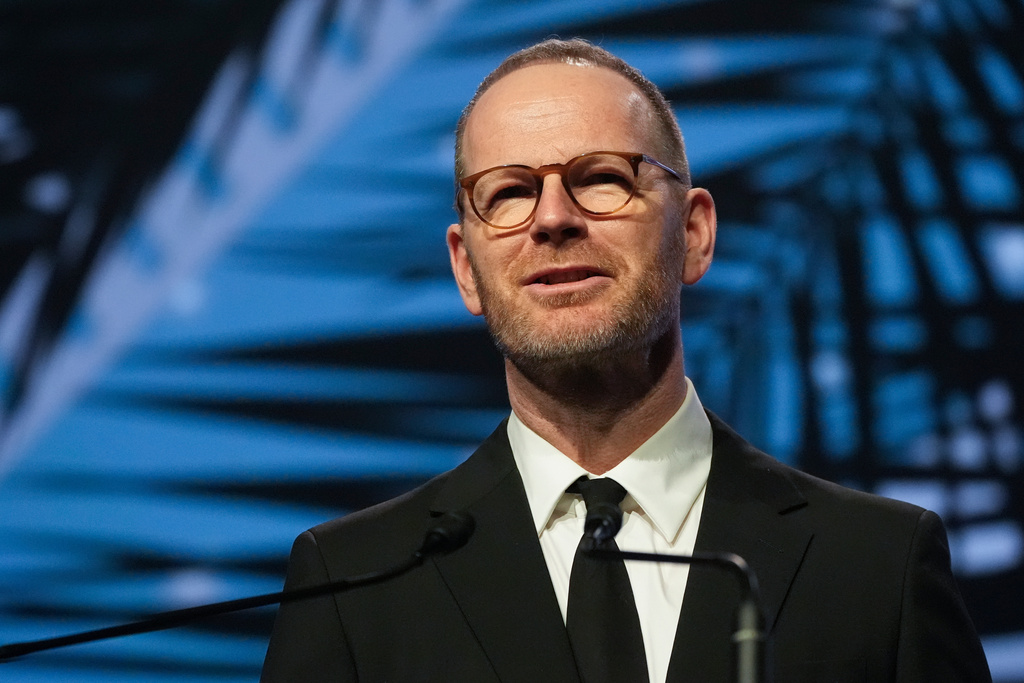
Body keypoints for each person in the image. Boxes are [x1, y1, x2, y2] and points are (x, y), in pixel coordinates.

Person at [260, 38, 990, 682]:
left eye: (602, 179)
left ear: (695, 233)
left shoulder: (877, 565)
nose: (553, 218)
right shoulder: (351, 583)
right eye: (508, 193)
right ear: (465, 268)